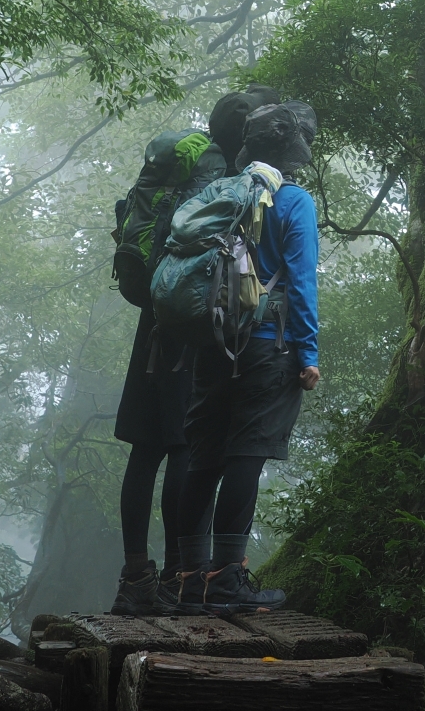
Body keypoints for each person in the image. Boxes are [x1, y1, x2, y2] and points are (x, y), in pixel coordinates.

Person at [110, 86, 280, 616]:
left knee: (145, 448)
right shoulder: (233, 180)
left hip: (155, 318)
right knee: (186, 448)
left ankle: (135, 578)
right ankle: (178, 579)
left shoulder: (188, 162)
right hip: (195, 323)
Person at [173, 101, 321, 614]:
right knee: (244, 457)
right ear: (293, 153)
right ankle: (228, 580)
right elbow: (301, 283)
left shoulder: (219, 194)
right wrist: (309, 353)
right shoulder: (294, 201)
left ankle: (190, 581)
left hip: (211, 345)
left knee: (203, 459)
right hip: (266, 348)